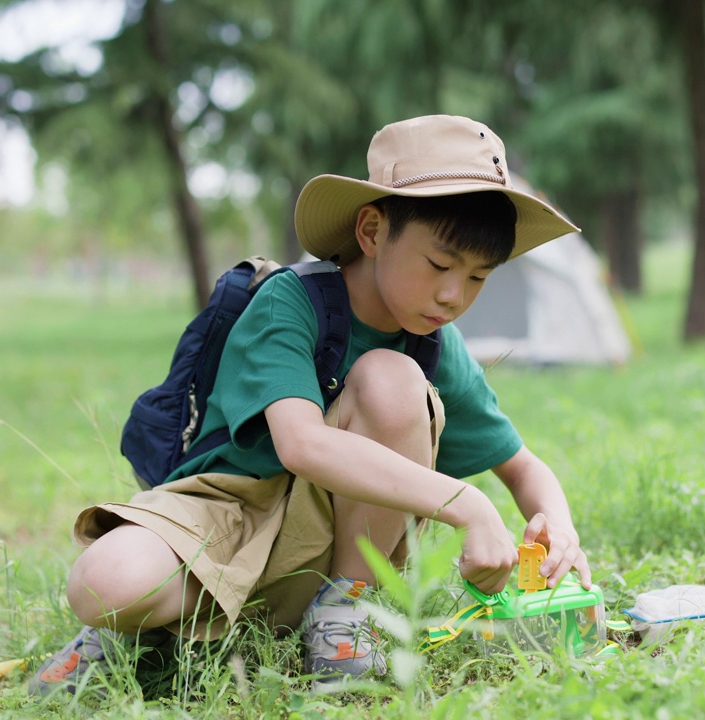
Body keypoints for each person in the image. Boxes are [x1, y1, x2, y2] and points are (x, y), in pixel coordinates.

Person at [29, 114, 593, 695]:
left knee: (393, 379)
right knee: (102, 582)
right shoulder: (289, 303)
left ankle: (346, 618)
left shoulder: (431, 341)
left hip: (328, 555)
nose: (454, 295)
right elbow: (301, 444)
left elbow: (522, 466)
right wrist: (466, 503)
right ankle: (138, 634)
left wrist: (559, 528)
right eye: (440, 265)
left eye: (478, 277)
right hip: (229, 512)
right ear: (372, 232)